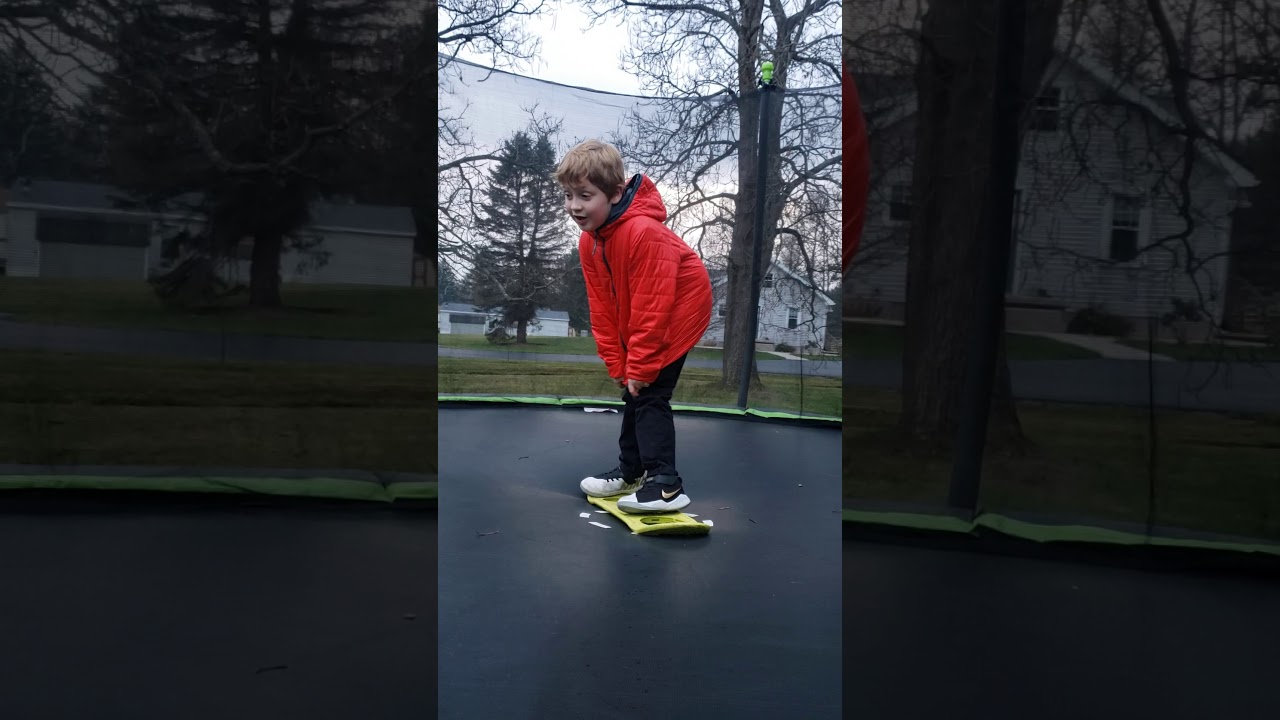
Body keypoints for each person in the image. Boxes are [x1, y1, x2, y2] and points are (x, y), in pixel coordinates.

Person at [553, 139, 712, 514]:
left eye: (585, 195)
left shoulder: (643, 232)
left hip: (678, 313)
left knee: (651, 392)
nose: (574, 205)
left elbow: (653, 307)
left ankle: (666, 484)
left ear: (615, 193)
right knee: (634, 392)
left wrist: (640, 366)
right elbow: (603, 308)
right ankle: (631, 471)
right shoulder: (590, 242)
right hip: (647, 316)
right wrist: (618, 365)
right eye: (568, 195)